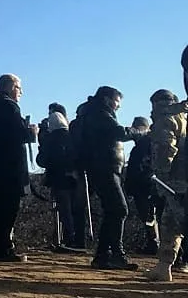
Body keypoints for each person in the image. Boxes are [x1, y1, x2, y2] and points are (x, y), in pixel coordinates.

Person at [77, 85, 144, 271]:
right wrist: (138, 131)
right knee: (119, 208)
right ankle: (115, 254)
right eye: (117, 101)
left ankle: (104, 255)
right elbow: (119, 133)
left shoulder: (91, 112)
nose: (118, 106)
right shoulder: (99, 113)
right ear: (107, 99)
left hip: (102, 167)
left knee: (113, 209)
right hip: (104, 167)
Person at [0, 73, 37, 262]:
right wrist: (31, 132)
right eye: (19, 88)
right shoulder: (9, 106)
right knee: (8, 207)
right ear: (11, 87)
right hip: (8, 166)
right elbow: (16, 134)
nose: (21, 92)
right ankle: (5, 248)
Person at [148, 87, 188, 282]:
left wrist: (161, 175)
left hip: (177, 180)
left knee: (175, 222)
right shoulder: (184, 116)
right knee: (172, 224)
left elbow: (165, 148)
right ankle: (164, 267)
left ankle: (164, 267)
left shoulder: (167, 118)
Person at [36, 104, 86, 251]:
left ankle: (68, 238)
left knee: (64, 210)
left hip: (58, 179)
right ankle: (78, 240)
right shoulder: (72, 136)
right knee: (77, 209)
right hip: (74, 177)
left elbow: (42, 160)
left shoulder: (50, 139)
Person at [124, 115, 157, 255]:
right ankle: (153, 243)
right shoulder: (144, 144)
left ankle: (154, 243)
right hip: (142, 186)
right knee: (148, 216)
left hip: (145, 186)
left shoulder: (145, 144)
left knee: (149, 216)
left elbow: (141, 166)